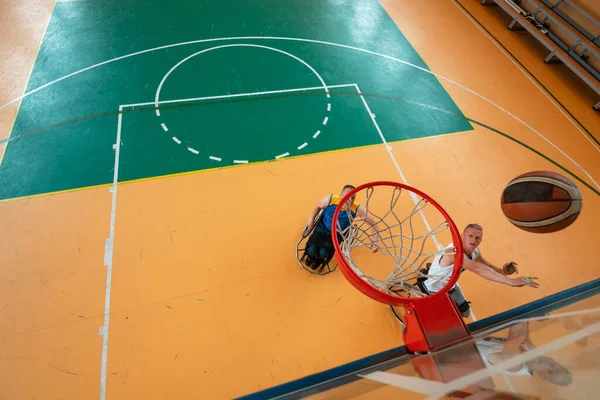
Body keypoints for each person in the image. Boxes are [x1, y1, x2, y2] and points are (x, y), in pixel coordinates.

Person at [422, 223, 539, 317]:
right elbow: (478, 269)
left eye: (477, 238)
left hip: (450, 286)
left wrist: (504, 272)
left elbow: (487, 267)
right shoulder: (453, 252)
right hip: (435, 289)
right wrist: (512, 282)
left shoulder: (475, 252)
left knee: (466, 313)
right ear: (462, 236)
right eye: (470, 236)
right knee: (447, 319)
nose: (474, 240)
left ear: (480, 241)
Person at [303, 185, 379, 270]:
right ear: (341, 195)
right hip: (323, 227)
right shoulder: (331, 199)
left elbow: (373, 224)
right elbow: (318, 206)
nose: (350, 200)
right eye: (347, 197)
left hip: (337, 234)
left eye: (353, 198)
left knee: (323, 253)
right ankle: (310, 257)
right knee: (312, 250)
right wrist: (311, 219)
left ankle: (318, 261)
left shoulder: (356, 209)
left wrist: (375, 241)